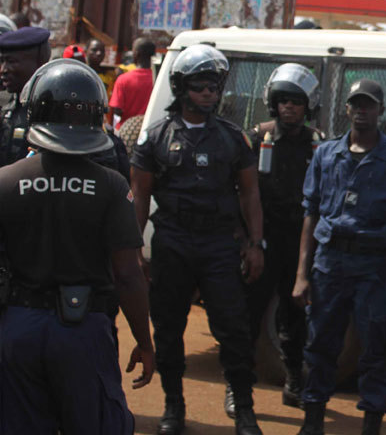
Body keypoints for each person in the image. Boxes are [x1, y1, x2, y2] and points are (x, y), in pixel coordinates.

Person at [0, 59, 154, 433]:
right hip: (83, 331)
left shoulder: (4, 182)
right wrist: (144, 342)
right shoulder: (112, 186)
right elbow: (128, 275)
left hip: (17, 330)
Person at [131, 44, 265, 435]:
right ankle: (174, 407)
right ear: (180, 87)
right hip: (172, 242)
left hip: (220, 244)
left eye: (214, 86)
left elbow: (250, 194)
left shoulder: (232, 138)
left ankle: (244, 409)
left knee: (233, 329)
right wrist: (134, 248)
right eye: (199, 85)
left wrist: (256, 244)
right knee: (169, 328)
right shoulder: (155, 137)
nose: (208, 93)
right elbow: (139, 194)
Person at [292, 78, 386, 435]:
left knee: (375, 350)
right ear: (347, 109)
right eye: (356, 104)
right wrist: (301, 275)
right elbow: (311, 213)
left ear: (381, 111)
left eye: (368, 105)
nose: (361, 111)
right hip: (329, 263)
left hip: (374, 267)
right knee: (320, 344)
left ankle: (371, 424)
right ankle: (312, 422)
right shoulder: (326, 154)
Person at [245, 63, 323, 409]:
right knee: (248, 317)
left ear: (307, 106)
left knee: (295, 318)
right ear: (273, 103)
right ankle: (240, 387)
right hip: (261, 240)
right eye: (284, 101)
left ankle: (294, 382)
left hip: (299, 243)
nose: (289, 107)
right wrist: (247, 242)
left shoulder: (318, 145)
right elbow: (239, 192)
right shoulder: (254, 138)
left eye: (297, 102)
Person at [0, 26, 51, 168]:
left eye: (11, 61)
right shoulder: (7, 109)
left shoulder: (52, 113)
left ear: (40, 61)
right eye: (2, 61)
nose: (3, 70)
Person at [109, 37, 155, 129]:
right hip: (150, 130)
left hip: (126, 131)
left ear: (136, 54)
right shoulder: (157, 79)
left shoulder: (123, 79)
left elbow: (117, 110)